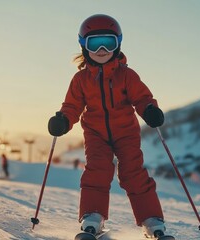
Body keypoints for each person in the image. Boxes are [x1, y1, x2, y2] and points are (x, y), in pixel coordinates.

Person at [47, 14, 168, 238]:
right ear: (84, 46)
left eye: (108, 42)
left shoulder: (127, 76)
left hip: (126, 133)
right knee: (97, 170)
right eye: (94, 43)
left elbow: (142, 98)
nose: (101, 48)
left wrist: (149, 110)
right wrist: (63, 120)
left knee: (133, 173)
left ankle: (152, 221)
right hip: (96, 134)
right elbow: (72, 106)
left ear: (118, 44)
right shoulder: (80, 80)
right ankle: (92, 217)